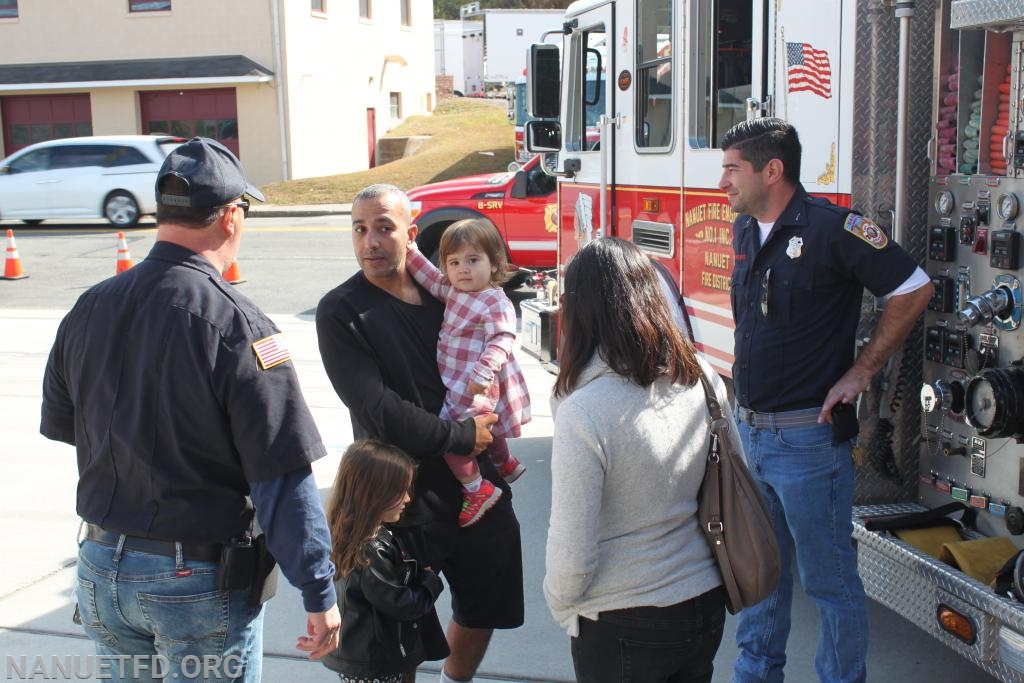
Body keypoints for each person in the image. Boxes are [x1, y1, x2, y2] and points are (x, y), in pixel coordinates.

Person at [40, 137, 341, 682]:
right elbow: (281, 475)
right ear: (230, 218)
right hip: (192, 580)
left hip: (100, 564)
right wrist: (319, 589)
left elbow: (67, 425)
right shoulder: (239, 326)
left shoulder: (89, 307)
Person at [720, 118, 933, 683]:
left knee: (830, 584)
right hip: (753, 434)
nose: (723, 182)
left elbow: (914, 287)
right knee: (761, 572)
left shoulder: (836, 228)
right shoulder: (745, 230)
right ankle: (755, 674)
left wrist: (863, 370)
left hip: (808, 442)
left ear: (773, 170)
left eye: (732, 169)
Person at [315, 184, 524, 683]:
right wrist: (458, 437)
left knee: (485, 604)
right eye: (360, 229)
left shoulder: (449, 296)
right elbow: (377, 408)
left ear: (410, 235)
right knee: (391, 636)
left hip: (475, 483)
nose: (371, 242)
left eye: (384, 227)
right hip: (395, 496)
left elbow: (496, 339)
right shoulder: (341, 309)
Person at [545, 237, 727, 683]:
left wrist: (563, 604)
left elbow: (572, 548)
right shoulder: (702, 377)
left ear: (578, 311)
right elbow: (729, 478)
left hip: (621, 618)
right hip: (704, 601)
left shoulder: (584, 411)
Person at [405, 218, 531, 528]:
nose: (463, 269)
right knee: (490, 426)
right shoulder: (452, 289)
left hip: (474, 382)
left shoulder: (493, 301)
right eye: (455, 262)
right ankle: (505, 463)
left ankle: (476, 489)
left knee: (453, 433)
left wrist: (484, 372)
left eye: (473, 260)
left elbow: (502, 338)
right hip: (457, 377)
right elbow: (430, 278)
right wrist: (409, 250)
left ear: (494, 263)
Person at [322, 439, 450, 682]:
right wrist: (429, 582)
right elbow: (401, 604)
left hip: (368, 657)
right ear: (373, 495)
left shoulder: (350, 535)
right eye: (400, 491)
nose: (408, 499)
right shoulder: (371, 549)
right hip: (378, 661)